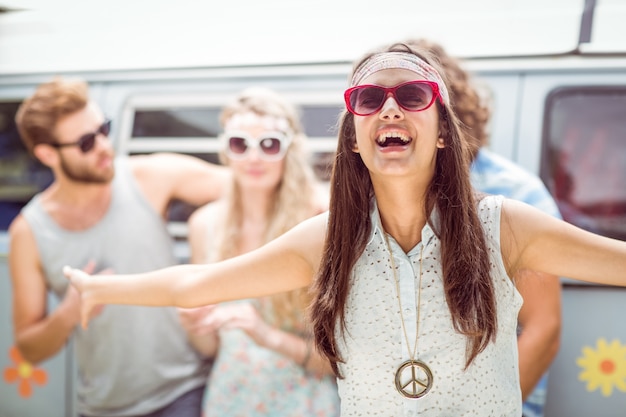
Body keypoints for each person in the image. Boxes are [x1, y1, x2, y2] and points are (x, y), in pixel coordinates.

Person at [63, 42, 626, 417]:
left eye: (411, 96)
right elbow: (196, 284)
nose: (389, 108)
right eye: (368, 98)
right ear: (353, 138)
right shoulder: (327, 237)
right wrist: (99, 289)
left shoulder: (504, 225)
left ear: (443, 133)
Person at [9, 77, 230, 417]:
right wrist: (68, 313)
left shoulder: (149, 176)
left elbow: (253, 185)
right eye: (86, 142)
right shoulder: (30, 232)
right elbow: (30, 349)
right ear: (47, 153)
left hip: (184, 391)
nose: (104, 146)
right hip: (101, 407)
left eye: (104, 128)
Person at [409, 38, 562, 417]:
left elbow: (543, 328)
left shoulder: (515, 193)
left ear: (449, 112)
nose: (395, 114)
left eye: (415, 99)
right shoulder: (387, 191)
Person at [178, 87, 339, 416]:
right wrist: (192, 322)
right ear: (226, 150)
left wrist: (265, 334)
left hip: (303, 404)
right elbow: (210, 347)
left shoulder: (318, 220)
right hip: (229, 401)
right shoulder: (204, 226)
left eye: (269, 144)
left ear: (289, 149)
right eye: (240, 143)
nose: (254, 157)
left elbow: (343, 360)